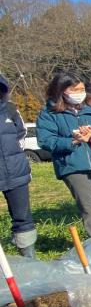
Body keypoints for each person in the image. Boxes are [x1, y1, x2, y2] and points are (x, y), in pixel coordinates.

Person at [36, 72, 91, 237]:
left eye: (81, 89)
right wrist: (73, 141)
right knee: (88, 208)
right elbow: (46, 141)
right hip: (72, 166)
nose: (79, 94)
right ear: (61, 91)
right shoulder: (49, 114)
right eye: (74, 90)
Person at [0, 73, 37, 257]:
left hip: (15, 172)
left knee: (23, 218)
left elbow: (21, 134)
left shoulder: (10, 110)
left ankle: (29, 258)